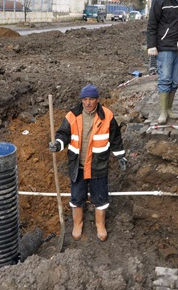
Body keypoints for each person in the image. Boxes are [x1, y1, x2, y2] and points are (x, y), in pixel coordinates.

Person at [49, 84, 127, 242]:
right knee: (77, 197)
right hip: (78, 165)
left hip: (98, 165)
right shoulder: (72, 115)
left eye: (91, 99)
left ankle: (100, 224)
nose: (88, 102)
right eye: (85, 99)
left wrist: (120, 156)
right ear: (82, 100)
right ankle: (78, 224)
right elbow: (63, 134)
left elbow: (115, 138)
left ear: (97, 100)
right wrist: (58, 144)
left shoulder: (107, 116)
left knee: (101, 198)